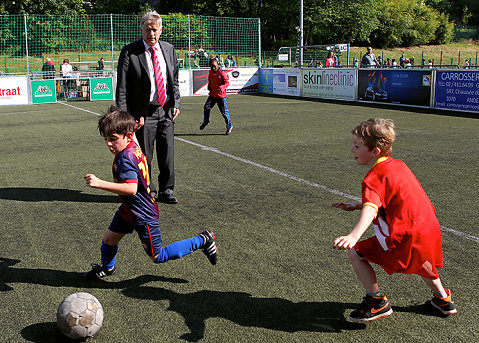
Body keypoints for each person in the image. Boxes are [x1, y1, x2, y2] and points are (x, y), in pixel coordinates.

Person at [332, 118, 457, 323]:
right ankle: (443, 299)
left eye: (357, 146)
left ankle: (376, 302)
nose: (351, 149)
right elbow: (390, 198)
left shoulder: (373, 177)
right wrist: (357, 205)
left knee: (356, 253)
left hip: (405, 234)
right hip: (428, 229)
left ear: (375, 152)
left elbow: (372, 208)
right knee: (421, 260)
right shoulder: (398, 165)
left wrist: (353, 236)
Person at [83, 106, 218, 280]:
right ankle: (107, 268)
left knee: (158, 256)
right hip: (129, 209)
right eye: (106, 139)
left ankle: (203, 240)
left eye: (113, 139)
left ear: (128, 136)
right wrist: (134, 131)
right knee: (109, 239)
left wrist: (100, 183)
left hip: (143, 213)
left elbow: (131, 189)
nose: (109, 143)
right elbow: (136, 146)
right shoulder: (131, 145)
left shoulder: (125, 158)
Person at [116, 11, 180, 204]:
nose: (151, 34)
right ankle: (147, 190)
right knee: (145, 156)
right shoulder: (130, 52)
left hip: (165, 111)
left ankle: (166, 190)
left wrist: (175, 103)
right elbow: (122, 87)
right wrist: (127, 117)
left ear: (160, 30)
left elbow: (174, 79)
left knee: (167, 153)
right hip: (142, 114)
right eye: (148, 29)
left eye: (155, 30)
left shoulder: (168, 49)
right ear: (141, 29)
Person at [200, 58, 233, 135]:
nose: (213, 68)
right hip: (213, 95)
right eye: (211, 67)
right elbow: (210, 80)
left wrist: (222, 87)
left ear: (218, 65)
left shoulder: (221, 73)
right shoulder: (211, 72)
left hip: (221, 96)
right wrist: (209, 86)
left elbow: (227, 83)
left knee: (224, 112)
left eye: (214, 66)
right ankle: (206, 121)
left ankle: (229, 126)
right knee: (206, 107)